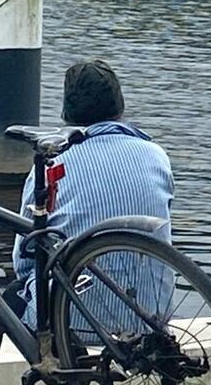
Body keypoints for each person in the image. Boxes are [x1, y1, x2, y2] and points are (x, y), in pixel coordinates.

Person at [11, 60, 174, 330]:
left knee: (12, 294)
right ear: (120, 107)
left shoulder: (54, 161)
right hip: (151, 317)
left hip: (69, 321)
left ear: (66, 112)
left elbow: (25, 257)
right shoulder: (156, 155)